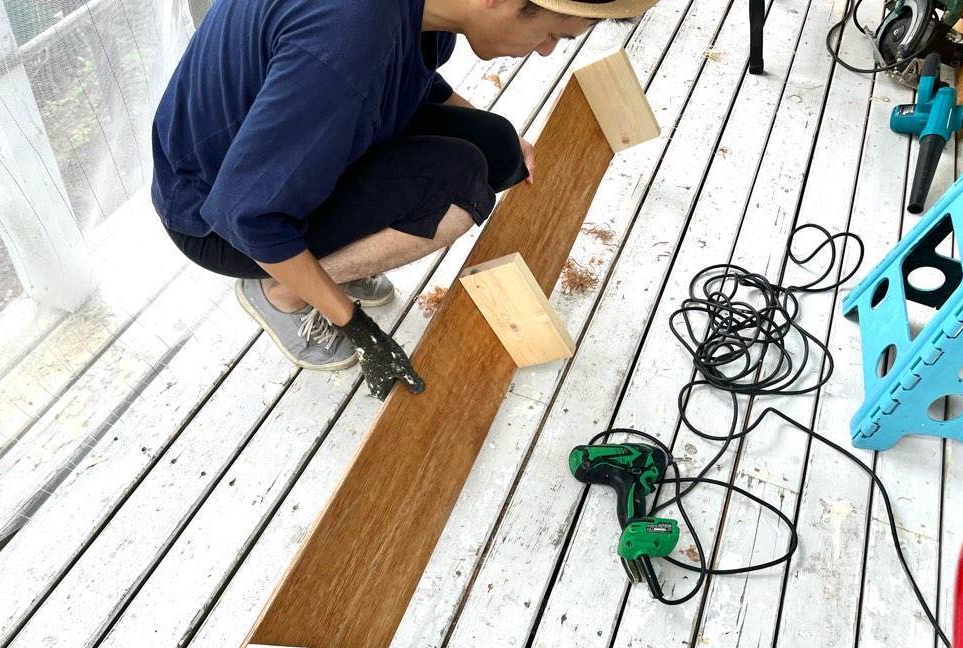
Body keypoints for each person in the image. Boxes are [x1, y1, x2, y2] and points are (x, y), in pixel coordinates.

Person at [152, 0, 652, 400]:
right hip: (214, 215)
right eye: (552, 35)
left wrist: (486, 126)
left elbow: (406, 71)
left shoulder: (423, 11)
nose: (545, 51)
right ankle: (283, 291)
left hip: (278, 148)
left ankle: (333, 258)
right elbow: (246, 214)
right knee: (457, 188)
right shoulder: (345, 42)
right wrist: (356, 326)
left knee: (497, 149)